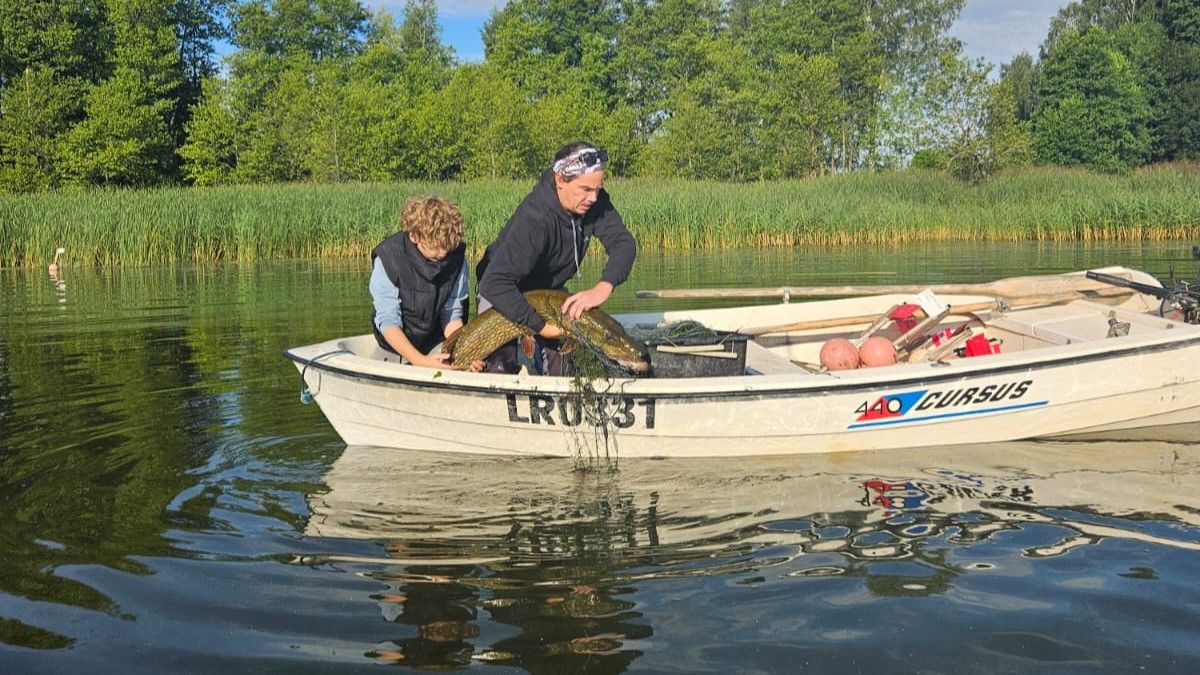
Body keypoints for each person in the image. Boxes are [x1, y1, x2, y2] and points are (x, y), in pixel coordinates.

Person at [476, 141, 637, 374]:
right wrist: (541, 327)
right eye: (585, 190)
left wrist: (603, 286)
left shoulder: (593, 202)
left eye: (598, 189)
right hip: (504, 291)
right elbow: (494, 283)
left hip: (548, 292)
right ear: (561, 180)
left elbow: (624, 243)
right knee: (501, 367)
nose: (593, 198)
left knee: (567, 366)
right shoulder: (536, 219)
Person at [370, 196, 478, 370]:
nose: (443, 253)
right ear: (414, 236)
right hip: (392, 345)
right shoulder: (388, 258)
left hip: (434, 341)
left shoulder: (456, 257)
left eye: (447, 246)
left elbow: (452, 315)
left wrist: (466, 353)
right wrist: (420, 361)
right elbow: (388, 320)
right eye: (435, 246)